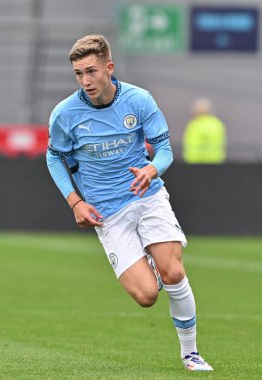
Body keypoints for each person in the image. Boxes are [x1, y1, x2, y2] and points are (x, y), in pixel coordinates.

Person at [46, 34, 213, 372]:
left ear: (109, 67)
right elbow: (53, 158)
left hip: (147, 196)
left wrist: (152, 169)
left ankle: (191, 354)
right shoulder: (65, 114)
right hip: (108, 212)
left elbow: (163, 149)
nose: (86, 81)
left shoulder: (139, 100)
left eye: (91, 71)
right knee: (147, 296)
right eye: (79, 74)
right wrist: (75, 202)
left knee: (174, 271)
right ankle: (149, 265)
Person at [183, 97, 227, 164]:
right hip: (216, 161)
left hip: (196, 163)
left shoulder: (196, 124)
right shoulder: (217, 123)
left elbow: (194, 145)